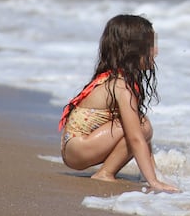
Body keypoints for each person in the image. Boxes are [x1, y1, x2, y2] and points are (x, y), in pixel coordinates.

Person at [58, 15, 179, 193]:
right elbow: (136, 138)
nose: (156, 51)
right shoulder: (121, 86)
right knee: (141, 126)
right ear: (132, 50)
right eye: (151, 46)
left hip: (75, 147)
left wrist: (155, 175)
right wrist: (154, 182)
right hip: (78, 148)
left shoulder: (118, 79)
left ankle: (109, 172)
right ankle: (105, 173)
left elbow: (141, 137)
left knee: (141, 123)